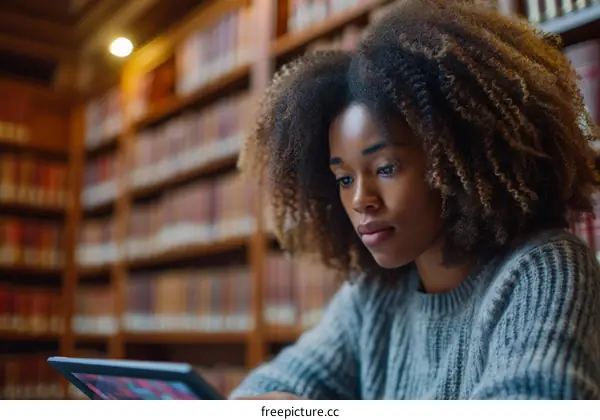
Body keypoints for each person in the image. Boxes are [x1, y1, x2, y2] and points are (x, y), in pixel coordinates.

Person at [230, 0, 600, 400]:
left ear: (458, 159)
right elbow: (261, 392)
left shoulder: (543, 268)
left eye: (386, 168)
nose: (360, 200)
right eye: (344, 177)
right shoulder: (374, 295)